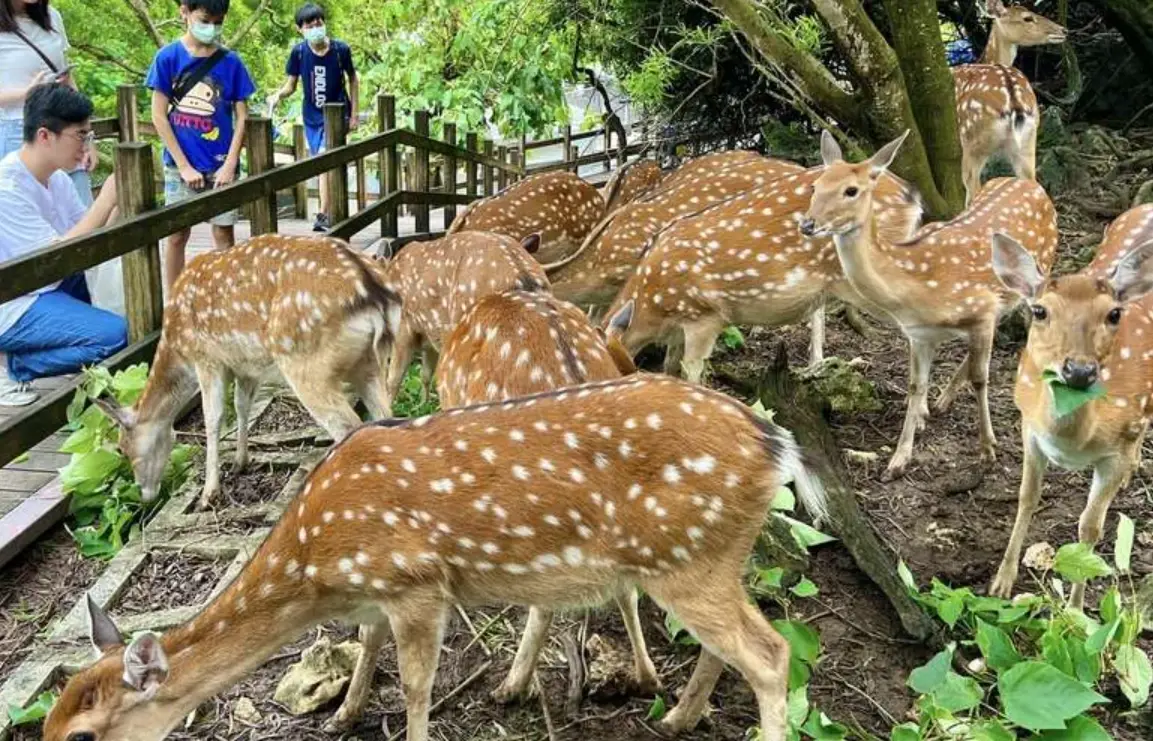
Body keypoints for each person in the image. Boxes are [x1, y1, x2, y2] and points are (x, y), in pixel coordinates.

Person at [0, 84, 126, 407]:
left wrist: (118, 206)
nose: (86, 146)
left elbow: (85, 241)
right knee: (116, 335)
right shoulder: (8, 187)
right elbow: (54, 255)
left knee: (130, 318)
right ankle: (19, 364)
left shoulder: (57, 179)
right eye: (80, 136)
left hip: (49, 285)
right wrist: (105, 200)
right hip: (16, 302)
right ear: (45, 136)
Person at [145, 0, 255, 290]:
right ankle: (175, 303)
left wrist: (231, 164)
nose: (212, 28)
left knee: (223, 235)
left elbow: (243, 116)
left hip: (220, 164)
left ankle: (227, 303)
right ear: (185, 12)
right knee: (177, 236)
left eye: (218, 22)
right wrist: (183, 165)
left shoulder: (231, 62)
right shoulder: (167, 58)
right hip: (179, 165)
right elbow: (158, 114)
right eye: (206, 20)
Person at [266, 2, 358, 233]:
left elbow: (353, 80)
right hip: (311, 116)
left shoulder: (341, 50)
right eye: (310, 24)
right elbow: (291, 86)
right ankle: (331, 210)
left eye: (319, 22)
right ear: (301, 29)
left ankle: (324, 213)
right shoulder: (299, 53)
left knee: (328, 158)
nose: (316, 27)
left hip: (337, 114)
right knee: (321, 164)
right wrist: (278, 95)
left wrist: (354, 115)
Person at [0, 0, 96, 207]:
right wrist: (25, 94)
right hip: (19, 130)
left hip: (66, 128)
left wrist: (87, 138)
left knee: (82, 216)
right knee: (28, 219)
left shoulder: (52, 17)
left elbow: (68, 79)